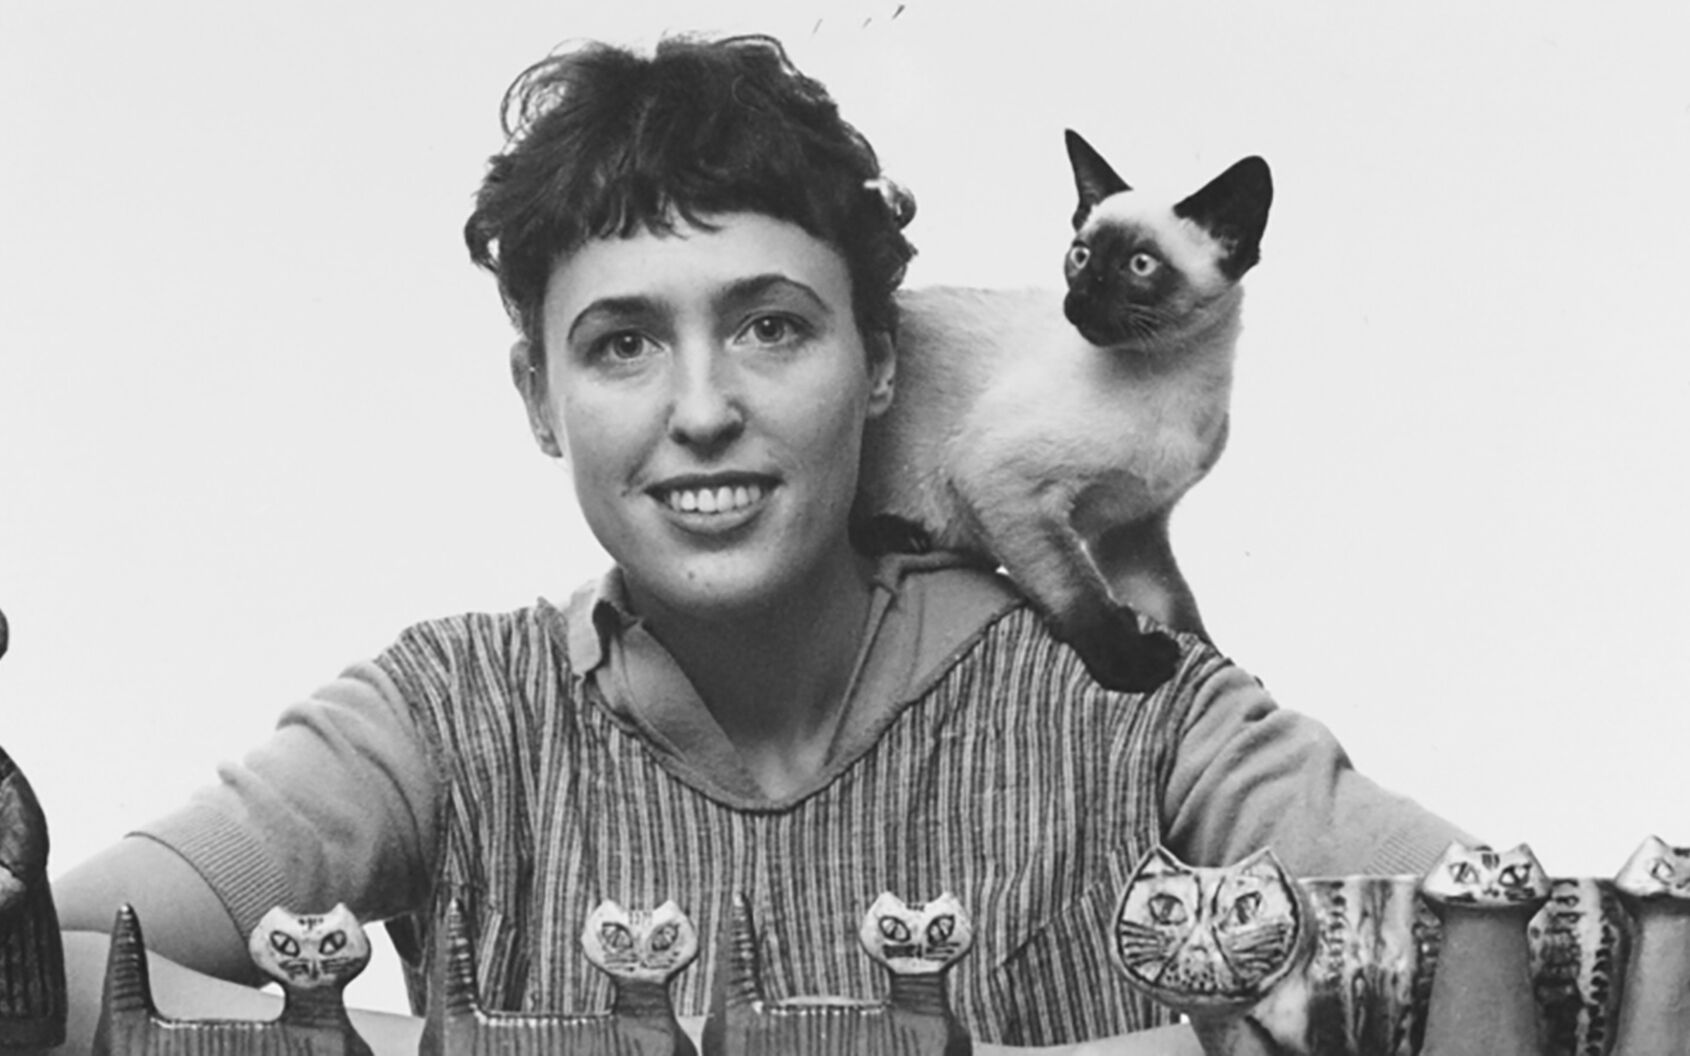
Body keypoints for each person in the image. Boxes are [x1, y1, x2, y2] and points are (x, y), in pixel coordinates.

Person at [39, 33, 1465, 1055]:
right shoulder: (444, 718)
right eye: (621, 343)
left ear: (882, 363)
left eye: (771, 326)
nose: (704, 410)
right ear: (539, 398)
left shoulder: (1145, 713)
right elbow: (44, 965)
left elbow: (1521, 953)